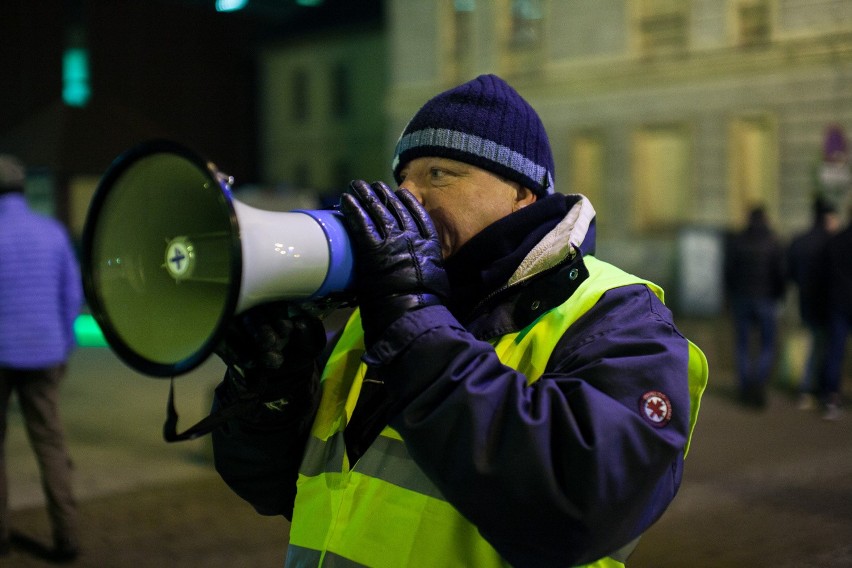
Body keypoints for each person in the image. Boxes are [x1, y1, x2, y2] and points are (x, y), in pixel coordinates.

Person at [211, 74, 708, 567]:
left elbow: (580, 507)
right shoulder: (383, 316)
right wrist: (270, 391)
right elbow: (278, 489)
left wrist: (413, 322)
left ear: (522, 193)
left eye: (439, 174)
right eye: (403, 177)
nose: (409, 196)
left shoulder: (618, 318)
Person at [0, 155, 82, 561]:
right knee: (50, 444)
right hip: (45, 354)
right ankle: (66, 538)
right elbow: (71, 297)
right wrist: (63, 344)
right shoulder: (52, 233)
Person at [723, 206, 786, 408]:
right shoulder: (772, 242)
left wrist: (732, 295)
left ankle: (745, 387)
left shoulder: (738, 241)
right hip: (766, 299)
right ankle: (758, 384)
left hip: (742, 298)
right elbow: (779, 273)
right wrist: (778, 295)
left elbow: (729, 272)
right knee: (767, 344)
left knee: (742, 344)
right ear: (765, 219)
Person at [786, 197, 839, 410]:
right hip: (828, 302)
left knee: (812, 342)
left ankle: (806, 389)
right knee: (826, 345)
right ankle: (816, 387)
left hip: (806, 298)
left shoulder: (801, 240)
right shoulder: (831, 240)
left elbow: (790, 271)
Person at [822, 202, 852, 420]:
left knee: (835, 352)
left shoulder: (836, 240)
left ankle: (832, 398)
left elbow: (826, 275)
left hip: (838, 303)